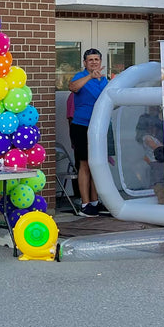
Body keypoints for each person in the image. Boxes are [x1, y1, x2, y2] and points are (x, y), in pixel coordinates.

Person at [68, 48, 109, 217]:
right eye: (90, 60)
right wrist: (90, 76)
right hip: (82, 126)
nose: (94, 62)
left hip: (100, 127)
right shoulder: (80, 77)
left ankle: (95, 201)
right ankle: (85, 205)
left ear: (100, 61)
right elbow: (72, 87)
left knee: (97, 163)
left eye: (96, 59)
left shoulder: (105, 80)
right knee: (84, 164)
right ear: (85, 63)